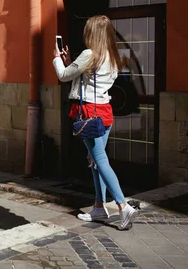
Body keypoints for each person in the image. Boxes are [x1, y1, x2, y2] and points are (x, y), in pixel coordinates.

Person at [52, 15, 137, 230]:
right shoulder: (113, 56)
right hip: (105, 112)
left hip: (89, 112)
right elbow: (82, 74)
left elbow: (63, 75)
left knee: (99, 159)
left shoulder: (90, 55)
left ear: (93, 33)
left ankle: (123, 205)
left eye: (88, 30)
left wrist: (57, 58)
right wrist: (72, 60)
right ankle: (99, 206)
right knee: (95, 159)